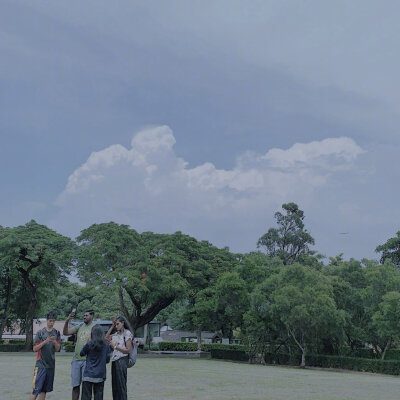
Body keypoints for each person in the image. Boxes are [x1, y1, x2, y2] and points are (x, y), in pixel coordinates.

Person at [63, 309, 95, 400]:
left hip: (87, 361)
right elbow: (65, 333)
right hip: (76, 360)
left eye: (87, 315)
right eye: (84, 315)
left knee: (86, 386)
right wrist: (67, 320)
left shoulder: (95, 327)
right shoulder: (80, 326)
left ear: (92, 316)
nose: (84, 317)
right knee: (75, 386)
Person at [30, 310, 61, 400]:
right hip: (40, 365)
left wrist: (54, 342)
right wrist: (45, 341)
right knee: (36, 390)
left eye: (53, 321)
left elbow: (58, 349)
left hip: (51, 366)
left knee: (44, 391)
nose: (51, 323)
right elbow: (35, 349)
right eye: (50, 320)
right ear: (46, 320)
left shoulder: (56, 333)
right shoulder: (40, 333)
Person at [80, 325, 112, 400]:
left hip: (88, 374)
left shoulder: (89, 344)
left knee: (86, 397)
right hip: (100, 375)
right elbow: (107, 360)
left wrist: (87, 341)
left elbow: (81, 353)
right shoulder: (106, 345)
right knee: (98, 397)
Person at [105, 316, 133, 400]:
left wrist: (115, 346)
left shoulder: (127, 334)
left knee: (121, 386)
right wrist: (112, 326)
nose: (116, 326)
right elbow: (106, 338)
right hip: (114, 361)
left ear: (123, 323)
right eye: (115, 324)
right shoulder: (116, 334)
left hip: (122, 361)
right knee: (115, 386)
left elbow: (128, 350)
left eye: (118, 324)